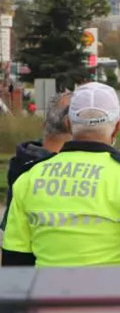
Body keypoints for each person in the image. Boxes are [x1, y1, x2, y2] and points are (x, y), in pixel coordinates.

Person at [1, 82, 120, 267]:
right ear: (117, 127)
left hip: (47, 293)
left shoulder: (29, 178)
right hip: (111, 293)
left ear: (69, 124)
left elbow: (15, 259)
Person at [2, 92, 73, 232]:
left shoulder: (23, 162)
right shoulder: (74, 169)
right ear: (72, 125)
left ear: (45, 125)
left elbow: (11, 227)